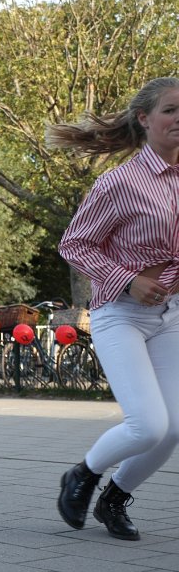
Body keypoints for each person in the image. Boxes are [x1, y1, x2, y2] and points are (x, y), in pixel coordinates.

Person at [54, 77, 179, 542]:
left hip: (171, 315)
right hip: (120, 314)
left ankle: (115, 497)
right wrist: (128, 279)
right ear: (145, 120)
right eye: (170, 110)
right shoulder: (120, 182)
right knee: (147, 425)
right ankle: (83, 475)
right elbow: (75, 243)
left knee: (172, 429)